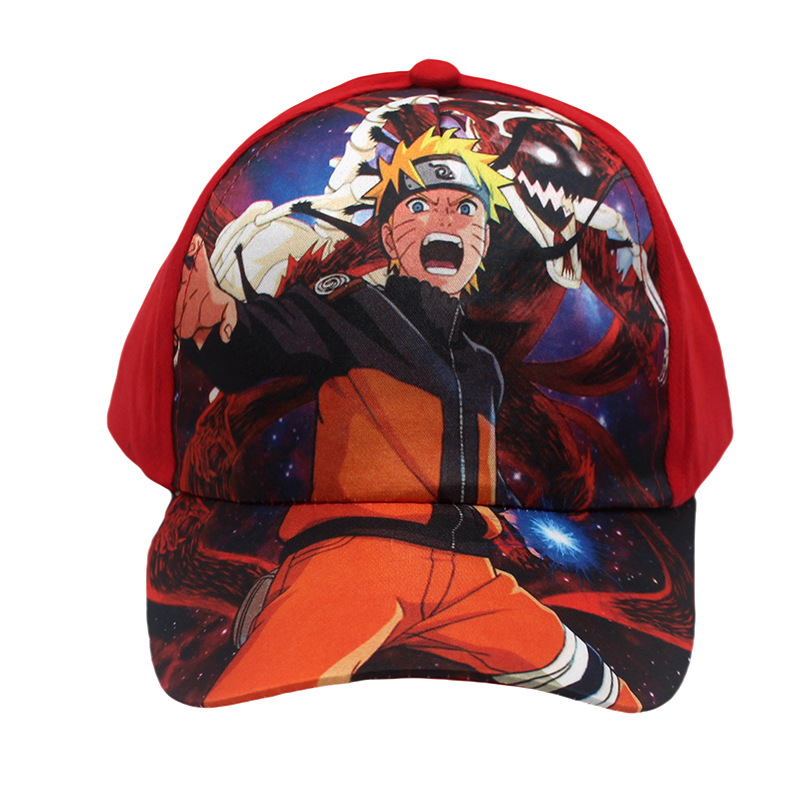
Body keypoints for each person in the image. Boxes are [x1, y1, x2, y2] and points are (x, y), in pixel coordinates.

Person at [175, 127, 641, 711]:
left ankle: (284, 598)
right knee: (239, 699)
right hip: (353, 563)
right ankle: (291, 595)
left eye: (465, 208)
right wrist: (219, 324)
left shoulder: (482, 367)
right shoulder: (349, 307)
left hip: (474, 579)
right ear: (391, 235)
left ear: (483, 239)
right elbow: (267, 337)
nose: (443, 216)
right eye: (418, 205)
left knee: (611, 693)